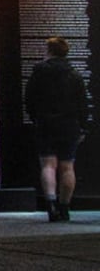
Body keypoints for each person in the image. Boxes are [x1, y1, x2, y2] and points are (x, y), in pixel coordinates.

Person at [24, 37, 88, 222]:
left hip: (45, 123)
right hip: (69, 125)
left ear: (49, 51)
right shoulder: (74, 75)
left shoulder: (39, 73)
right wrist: (83, 126)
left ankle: (51, 204)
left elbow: (29, 98)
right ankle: (65, 206)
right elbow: (82, 103)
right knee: (68, 166)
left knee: (48, 165)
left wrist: (35, 117)